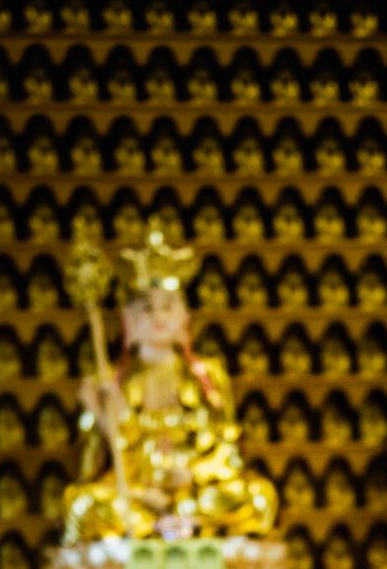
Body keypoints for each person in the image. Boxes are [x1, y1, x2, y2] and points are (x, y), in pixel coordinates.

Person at [61, 225, 278, 544]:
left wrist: (192, 475)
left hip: (197, 492)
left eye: (168, 306)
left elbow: (229, 448)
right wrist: (102, 416)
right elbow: (92, 467)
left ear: (184, 317)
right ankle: (164, 527)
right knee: (82, 505)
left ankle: (175, 524)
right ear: (129, 319)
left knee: (259, 498)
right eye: (147, 308)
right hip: (136, 495)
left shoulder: (208, 374)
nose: (158, 317)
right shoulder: (109, 382)